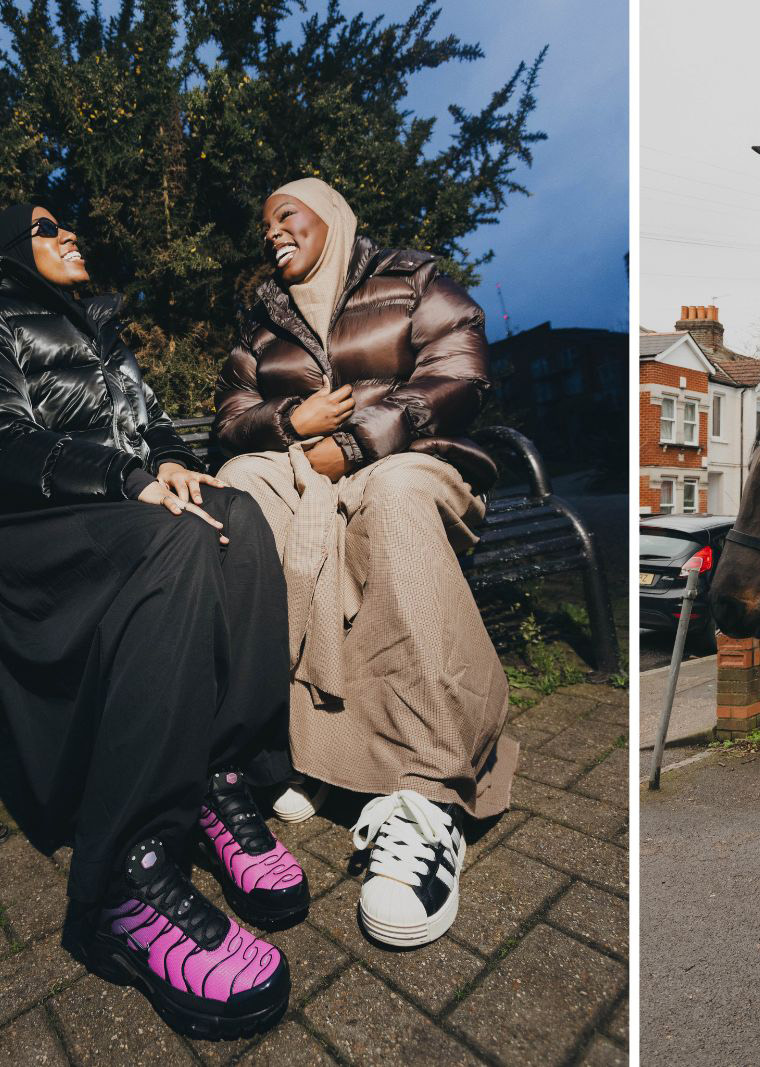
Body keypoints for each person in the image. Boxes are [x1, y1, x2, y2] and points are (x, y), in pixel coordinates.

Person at [0, 205, 308, 1039]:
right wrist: (126, 476)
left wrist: (167, 461)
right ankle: (124, 882)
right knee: (175, 538)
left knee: (238, 517)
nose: (67, 233)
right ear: (6, 251)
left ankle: (221, 777)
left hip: (122, 504)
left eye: (66, 223)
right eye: (42, 226)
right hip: (39, 530)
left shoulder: (103, 332)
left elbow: (150, 433)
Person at [213, 178, 518, 950]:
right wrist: (290, 419)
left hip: (412, 463)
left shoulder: (409, 279)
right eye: (264, 223)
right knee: (238, 493)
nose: (272, 232)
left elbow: (458, 368)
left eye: (287, 214)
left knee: (392, 496)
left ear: (333, 214)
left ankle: (430, 792)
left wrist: (350, 443)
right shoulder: (263, 320)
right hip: (304, 473)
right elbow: (232, 419)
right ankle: (281, 751)